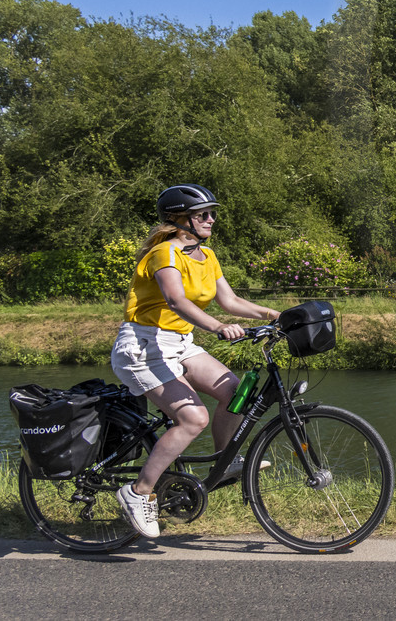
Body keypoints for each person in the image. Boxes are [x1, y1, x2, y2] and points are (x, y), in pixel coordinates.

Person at [109, 183, 282, 539]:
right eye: (203, 214)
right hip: (143, 346)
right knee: (193, 418)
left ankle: (225, 461)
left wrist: (275, 315)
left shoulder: (207, 255)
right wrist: (218, 327)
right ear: (179, 218)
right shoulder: (164, 253)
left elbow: (231, 302)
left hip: (179, 343)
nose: (211, 219)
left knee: (237, 391)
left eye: (212, 213)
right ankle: (138, 492)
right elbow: (175, 300)